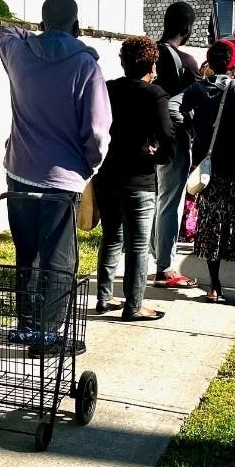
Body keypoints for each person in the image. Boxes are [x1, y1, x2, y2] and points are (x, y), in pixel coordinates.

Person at [0, 0, 111, 279]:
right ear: (77, 26)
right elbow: (97, 131)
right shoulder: (86, 66)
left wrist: (43, 35)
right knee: (57, 262)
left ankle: (28, 322)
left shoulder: (19, 54)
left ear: (41, 23)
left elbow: (4, 30)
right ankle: (49, 324)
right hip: (63, 178)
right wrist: (89, 167)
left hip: (20, 172)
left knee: (27, 255)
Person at [179, 38, 235, 305]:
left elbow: (179, 111)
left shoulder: (197, 90)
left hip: (212, 170)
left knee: (213, 227)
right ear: (233, 63)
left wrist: (197, 134)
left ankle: (214, 288)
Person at [94, 36, 175, 321]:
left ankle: (103, 298)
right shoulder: (155, 95)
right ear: (151, 63)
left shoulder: (107, 89)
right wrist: (159, 157)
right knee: (138, 245)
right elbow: (168, 137)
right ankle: (134, 304)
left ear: (124, 62)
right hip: (139, 178)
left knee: (111, 237)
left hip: (107, 175)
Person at [151, 1, 200, 289]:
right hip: (174, 141)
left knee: (151, 203)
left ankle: (151, 257)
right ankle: (165, 269)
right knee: (170, 203)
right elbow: (197, 102)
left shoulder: (149, 54)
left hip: (144, 140)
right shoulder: (186, 62)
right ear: (186, 29)